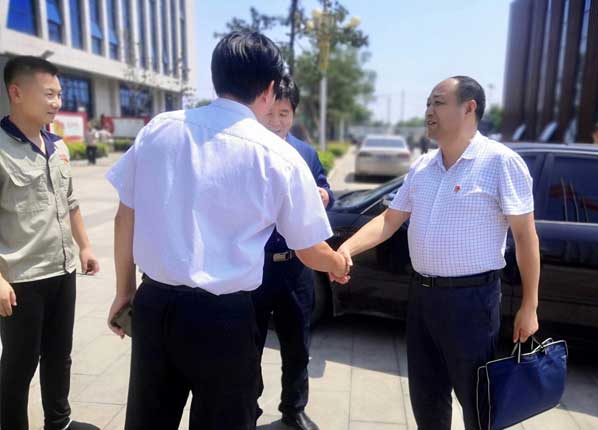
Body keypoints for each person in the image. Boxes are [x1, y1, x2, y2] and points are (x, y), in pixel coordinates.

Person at [105, 31, 349, 430]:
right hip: (225, 317)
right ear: (269, 90)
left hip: (155, 305)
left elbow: (124, 218)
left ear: (216, 76)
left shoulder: (159, 129)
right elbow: (309, 249)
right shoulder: (279, 156)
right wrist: (337, 264)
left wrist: (124, 291)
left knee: (149, 420)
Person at [332, 76, 540, 430]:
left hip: (471, 302)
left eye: (438, 102)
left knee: (478, 402)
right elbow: (390, 219)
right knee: (426, 397)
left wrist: (530, 305)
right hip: (422, 298)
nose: (429, 111)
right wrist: (346, 249)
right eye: (428, 103)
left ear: (469, 108)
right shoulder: (423, 166)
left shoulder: (500, 162)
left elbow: (525, 236)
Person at [0, 56, 100, 430]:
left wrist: (85, 247)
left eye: (59, 94)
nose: (57, 102)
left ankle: (59, 422)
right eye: (49, 94)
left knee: (60, 354)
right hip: (21, 278)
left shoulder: (58, 147)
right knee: (20, 363)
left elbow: (70, 202)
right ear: (16, 93)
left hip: (62, 269)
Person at [255, 75, 333, 430]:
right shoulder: (248, 150)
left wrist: (324, 195)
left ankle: (294, 408)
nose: (276, 122)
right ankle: (249, 408)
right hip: (254, 266)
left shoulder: (305, 153)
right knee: (249, 342)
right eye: (270, 114)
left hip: (296, 265)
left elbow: (324, 188)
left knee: (298, 342)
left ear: (294, 114)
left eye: (283, 114)